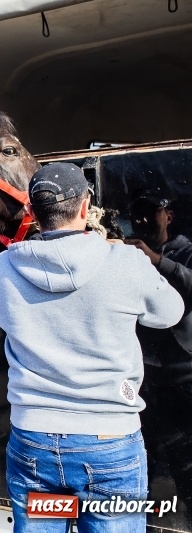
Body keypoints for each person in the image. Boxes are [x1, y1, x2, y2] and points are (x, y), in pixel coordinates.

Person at [0, 162, 185, 533]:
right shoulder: (126, 262)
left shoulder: (2, 269)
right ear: (85, 207)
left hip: (34, 443)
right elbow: (170, 313)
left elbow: (4, 318)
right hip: (109, 445)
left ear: (31, 213)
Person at [126, 187, 192, 524]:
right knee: (144, 459)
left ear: (169, 215)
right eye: (137, 213)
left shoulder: (186, 250)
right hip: (144, 375)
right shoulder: (126, 253)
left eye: (152, 211)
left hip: (182, 373)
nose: (144, 219)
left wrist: (157, 261)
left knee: (185, 461)